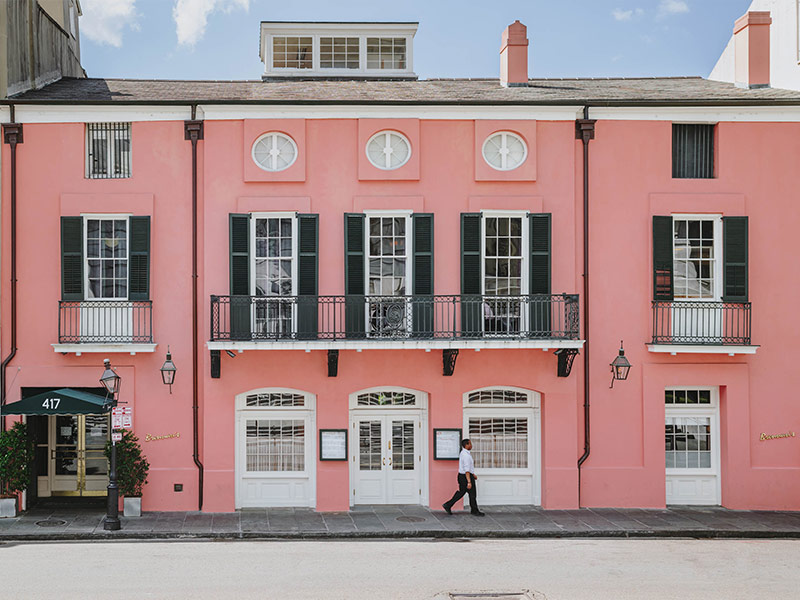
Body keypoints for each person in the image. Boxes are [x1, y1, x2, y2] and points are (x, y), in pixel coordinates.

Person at [442, 438, 485, 516]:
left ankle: (448, 505)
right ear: (466, 445)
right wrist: (469, 481)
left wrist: (473, 474)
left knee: (461, 492)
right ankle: (474, 511)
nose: (471, 445)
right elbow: (466, 469)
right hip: (466, 477)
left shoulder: (464, 453)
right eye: (470, 444)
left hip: (463, 476)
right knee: (472, 494)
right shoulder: (466, 455)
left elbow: (468, 468)